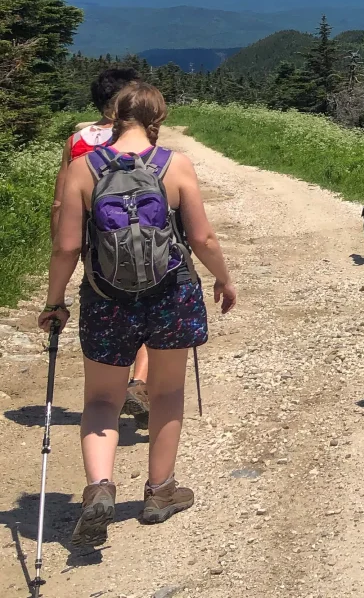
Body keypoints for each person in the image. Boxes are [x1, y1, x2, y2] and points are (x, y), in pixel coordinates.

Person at [40, 82, 238, 547]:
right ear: (158, 118)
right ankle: (160, 491)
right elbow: (203, 239)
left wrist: (55, 303)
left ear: (113, 115)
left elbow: (67, 245)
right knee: (166, 393)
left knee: (101, 401)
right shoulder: (176, 166)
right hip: (171, 295)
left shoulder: (83, 170)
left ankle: (99, 488)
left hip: (105, 298)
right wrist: (225, 280)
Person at [53, 66, 154, 426]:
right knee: (145, 305)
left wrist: (61, 244)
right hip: (141, 242)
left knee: (105, 301)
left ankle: (108, 386)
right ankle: (138, 381)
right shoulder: (142, 137)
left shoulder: (77, 140)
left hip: (92, 244)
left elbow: (62, 201)